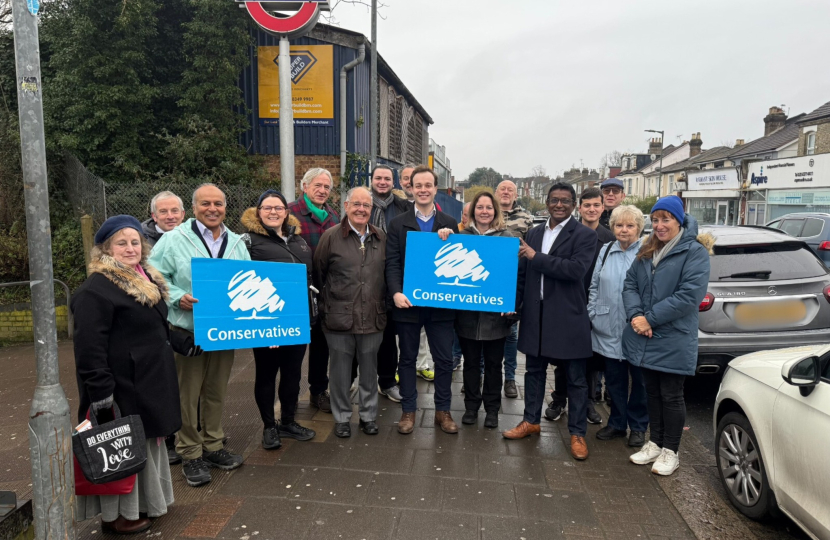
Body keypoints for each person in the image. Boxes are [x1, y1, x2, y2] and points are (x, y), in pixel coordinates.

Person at [73, 216, 201, 534]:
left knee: (146, 445)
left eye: (134, 242)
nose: (130, 248)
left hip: (149, 381)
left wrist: (185, 342)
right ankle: (118, 516)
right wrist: (101, 395)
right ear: (105, 249)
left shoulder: (145, 279)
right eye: (121, 242)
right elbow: (89, 349)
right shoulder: (96, 290)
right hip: (123, 387)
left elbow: (155, 328)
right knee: (121, 448)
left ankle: (144, 505)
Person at [149, 184, 251, 487]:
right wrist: (176, 297)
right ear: (194, 208)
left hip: (225, 331)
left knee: (216, 390)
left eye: (218, 203)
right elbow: (153, 274)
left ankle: (213, 445)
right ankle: (190, 452)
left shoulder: (236, 243)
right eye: (205, 203)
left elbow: (248, 281)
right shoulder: (172, 239)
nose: (212, 209)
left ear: (225, 207)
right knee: (187, 393)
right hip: (188, 330)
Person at [503, 183, 596, 462]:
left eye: (565, 201)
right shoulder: (533, 232)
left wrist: (536, 256)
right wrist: (514, 306)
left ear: (574, 204)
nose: (559, 205)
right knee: (533, 372)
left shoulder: (583, 235)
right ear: (546, 202)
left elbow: (575, 270)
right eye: (554, 200)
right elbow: (523, 274)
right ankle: (530, 421)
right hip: (537, 315)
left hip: (568, 317)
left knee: (576, 379)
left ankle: (578, 434)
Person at [623, 196, 712, 475]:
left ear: (679, 220)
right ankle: (655, 443)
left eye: (666, 219)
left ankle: (671, 451)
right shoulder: (648, 248)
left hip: (674, 336)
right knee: (652, 392)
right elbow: (630, 285)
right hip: (645, 335)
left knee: (671, 395)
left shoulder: (694, 251)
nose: (660, 225)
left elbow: (689, 296)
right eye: (656, 219)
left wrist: (649, 318)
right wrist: (637, 316)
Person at [241, 190, 317, 450]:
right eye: (267, 208)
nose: (273, 212)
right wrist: (265, 327)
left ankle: (288, 421)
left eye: (278, 208)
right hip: (266, 321)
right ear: (258, 211)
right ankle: (269, 426)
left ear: (286, 211)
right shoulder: (247, 242)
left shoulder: (299, 241)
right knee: (266, 375)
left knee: (293, 375)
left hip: (296, 321)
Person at [386, 165, 459, 434]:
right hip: (409, 304)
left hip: (441, 306)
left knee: (443, 359)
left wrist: (452, 241)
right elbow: (392, 263)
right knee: (406, 359)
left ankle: (443, 411)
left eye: (428, 185)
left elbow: (457, 262)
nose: (423, 190)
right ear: (411, 189)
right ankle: (408, 411)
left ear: (435, 189)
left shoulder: (450, 224)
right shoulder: (397, 224)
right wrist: (395, 292)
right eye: (418, 186)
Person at [314, 187, 387, 438]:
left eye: (366, 206)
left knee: (369, 371)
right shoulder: (331, 237)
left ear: (372, 209)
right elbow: (319, 274)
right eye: (356, 204)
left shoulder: (381, 238)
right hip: (338, 318)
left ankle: (368, 416)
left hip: (372, 317)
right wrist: (327, 308)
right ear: (346, 206)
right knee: (340, 372)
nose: (361, 209)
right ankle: (342, 417)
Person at [547, 188, 616, 425]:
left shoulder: (609, 239)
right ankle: (559, 399)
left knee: (590, 358)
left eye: (596, 205)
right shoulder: (568, 233)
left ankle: (587, 401)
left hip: (596, 305)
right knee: (561, 357)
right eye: (587, 205)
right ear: (580, 207)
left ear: (603, 207)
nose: (592, 210)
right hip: (567, 303)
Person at [455, 192, 517, 429]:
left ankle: (492, 409)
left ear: (495, 211)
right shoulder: (461, 237)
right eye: (479, 207)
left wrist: (513, 306)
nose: (484, 212)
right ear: (472, 212)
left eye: (488, 208)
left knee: (493, 365)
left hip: (496, 318)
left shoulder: (507, 238)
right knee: (470, 364)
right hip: (467, 317)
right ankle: (471, 406)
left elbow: (516, 277)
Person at [589, 205, 648, 448]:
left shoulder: (647, 252)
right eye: (619, 225)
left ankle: (638, 427)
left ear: (639, 228)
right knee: (614, 381)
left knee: (640, 382)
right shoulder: (605, 250)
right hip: (607, 325)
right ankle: (616, 423)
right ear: (612, 227)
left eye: (630, 225)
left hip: (637, 327)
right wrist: (592, 313)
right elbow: (593, 286)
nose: (624, 230)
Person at [287, 168, 341, 414]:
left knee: (322, 346)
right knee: (294, 349)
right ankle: (289, 399)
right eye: (317, 186)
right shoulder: (290, 212)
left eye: (327, 187)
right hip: (297, 292)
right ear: (304, 187)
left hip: (325, 290)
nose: (322, 191)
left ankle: (318, 391)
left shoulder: (333, 215)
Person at [140, 191, 186, 465]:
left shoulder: (191, 239)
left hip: (185, 322)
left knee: (190, 382)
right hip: (157, 321)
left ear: (183, 214)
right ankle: (167, 437)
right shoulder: (140, 242)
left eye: (175, 211)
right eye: (164, 212)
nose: (170, 216)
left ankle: (193, 430)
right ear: (154, 215)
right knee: (163, 383)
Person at [369, 165, 411, 403]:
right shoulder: (362, 203)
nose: (383, 182)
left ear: (393, 182)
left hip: (396, 277)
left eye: (387, 178)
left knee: (389, 335)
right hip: (368, 275)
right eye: (378, 178)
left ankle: (387, 381)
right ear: (372, 180)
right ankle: (358, 380)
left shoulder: (404, 207)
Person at [495, 180, 533, 399]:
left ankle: (509, 378)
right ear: (496, 193)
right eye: (502, 189)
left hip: (513, 280)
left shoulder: (526, 218)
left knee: (510, 334)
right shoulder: (487, 212)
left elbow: (531, 248)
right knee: (482, 329)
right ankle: (480, 374)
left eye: (510, 190)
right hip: (489, 278)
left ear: (516, 194)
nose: (506, 192)